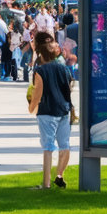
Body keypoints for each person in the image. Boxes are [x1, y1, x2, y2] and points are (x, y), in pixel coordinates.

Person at [27, 32, 72, 189]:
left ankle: (46, 184)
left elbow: (37, 94)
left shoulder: (40, 71)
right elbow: (69, 89)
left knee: (48, 147)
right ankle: (59, 175)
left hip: (47, 112)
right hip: (64, 110)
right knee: (64, 145)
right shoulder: (64, 68)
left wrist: (31, 108)